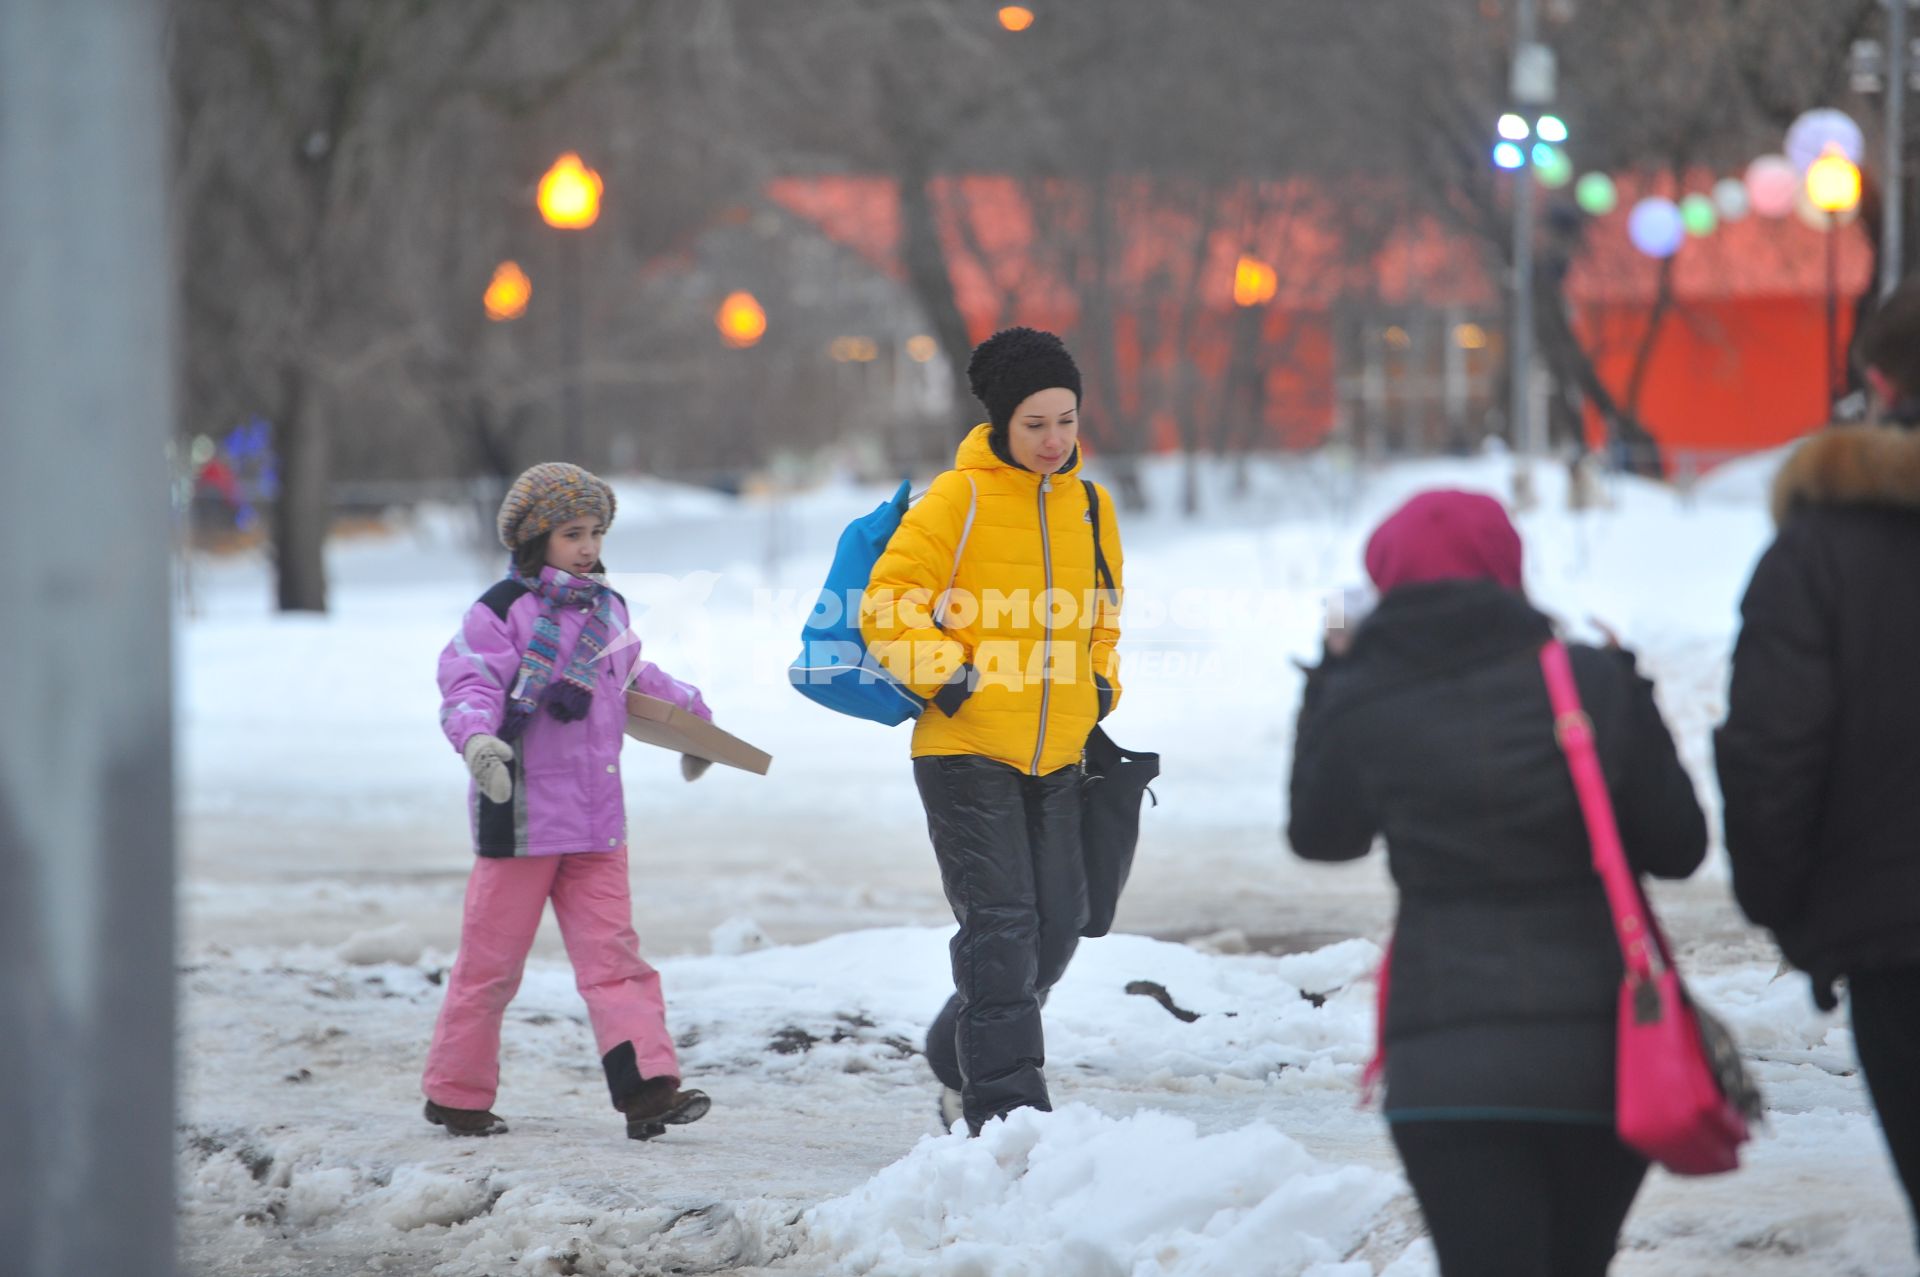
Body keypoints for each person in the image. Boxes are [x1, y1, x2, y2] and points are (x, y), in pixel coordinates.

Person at [1288, 489, 1706, 1277]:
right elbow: (1680, 846)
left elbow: (1322, 836)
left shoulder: (1369, 698)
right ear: (1508, 569)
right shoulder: (1585, 680)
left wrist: (1325, 680)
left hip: (1440, 1064)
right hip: (1599, 1054)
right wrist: (1630, 689)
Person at [861, 327, 1124, 1135]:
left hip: (1057, 751)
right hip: (965, 746)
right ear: (1003, 423)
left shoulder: (1091, 504)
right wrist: (947, 675)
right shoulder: (959, 499)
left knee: (1059, 923)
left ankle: (957, 1048)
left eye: (1067, 420)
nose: (1053, 440)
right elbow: (887, 602)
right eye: (1036, 423)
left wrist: (1102, 684)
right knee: (1003, 926)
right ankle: (1007, 1114)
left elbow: (1103, 612)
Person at [1716, 279, 1920, 1253]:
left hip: (1901, 947)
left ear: (1877, 379)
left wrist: (1792, 914)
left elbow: (1772, 755)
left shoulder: (1819, 557)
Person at [424, 462, 713, 1141]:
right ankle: (455, 1093)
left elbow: (636, 675)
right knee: (490, 966)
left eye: (596, 531)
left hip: (595, 825)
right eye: (572, 533)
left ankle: (648, 1091)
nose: (587, 546)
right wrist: (476, 743)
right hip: (519, 818)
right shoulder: (498, 611)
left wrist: (695, 722)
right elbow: (468, 683)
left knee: (617, 961)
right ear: (534, 538)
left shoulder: (606, 607)